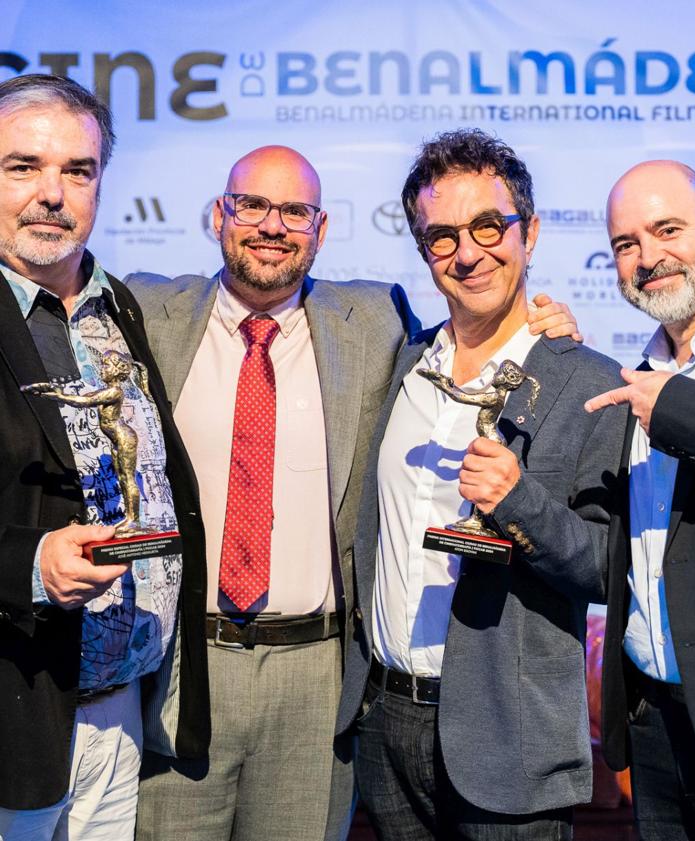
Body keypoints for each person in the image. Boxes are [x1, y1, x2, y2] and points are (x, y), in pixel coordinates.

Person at [125, 143, 579, 841]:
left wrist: (544, 337)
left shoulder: (372, 322)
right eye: (251, 205)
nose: (272, 226)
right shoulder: (147, 310)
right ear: (218, 213)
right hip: (186, 665)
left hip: (317, 678)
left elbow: (475, 338)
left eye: (295, 211)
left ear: (322, 229)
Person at [336, 128, 628, 841]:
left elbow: (603, 568)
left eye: (488, 226)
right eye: (441, 236)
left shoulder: (590, 382)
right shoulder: (400, 363)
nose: (467, 252)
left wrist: (517, 500)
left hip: (509, 740)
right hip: (381, 727)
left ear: (527, 231)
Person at [0, 74, 209, 841]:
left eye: (77, 171)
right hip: (16, 711)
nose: (52, 193)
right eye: (23, 166)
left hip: (121, 711)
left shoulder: (120, 304)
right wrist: (29, 564)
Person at [585, 160, 695, 840]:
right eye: (624, 243)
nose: (646, 256)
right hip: (654, 722)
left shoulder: (661, 393)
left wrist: (677, 408)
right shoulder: (631, 374)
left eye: (666, 229)